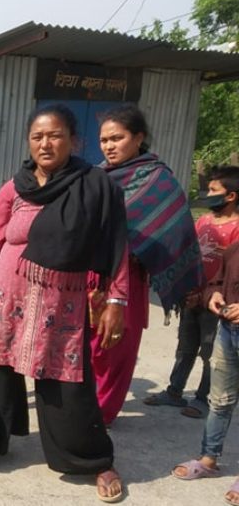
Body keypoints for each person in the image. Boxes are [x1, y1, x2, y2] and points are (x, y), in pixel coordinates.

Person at [0, 103, 129, 503]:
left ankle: (94, 460)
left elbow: (117, 247)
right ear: (28, 142)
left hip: (60, 303)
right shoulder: (14, 188)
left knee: (68, 383)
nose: (45, 143)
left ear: (73, 140)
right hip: (6, 296)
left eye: (55, 135)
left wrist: (116, 300)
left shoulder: (96, 185)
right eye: (37, 136)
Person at [90, 104, 203, 426]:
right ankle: (84, 409)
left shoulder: (158, 180)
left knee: (117, 352)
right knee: (88, 349)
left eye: (117, 138)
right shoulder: (97, 177)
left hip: (128, 279)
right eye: (104, 139)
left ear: (138, 137)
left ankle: (103, 415)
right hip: (90, 278)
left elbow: (177, 230)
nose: (109, 146)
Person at [144, 166, 239, 418]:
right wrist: (187, 289)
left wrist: (210, 294)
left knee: (211, 352)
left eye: (214, 190)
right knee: (185, 347)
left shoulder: (237, 228)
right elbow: (191, 256)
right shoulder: (204, 221)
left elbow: (231, 273)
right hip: (192, 298)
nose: (208, 194)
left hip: (217, 303)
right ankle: (174, 391)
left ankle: (203, 398)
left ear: (231, 196)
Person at [172, 240, 239, 506]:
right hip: (227, 331)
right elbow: (217, 280)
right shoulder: (235, 248)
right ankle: (209, 459)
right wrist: (214, 295)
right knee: (219, 401)